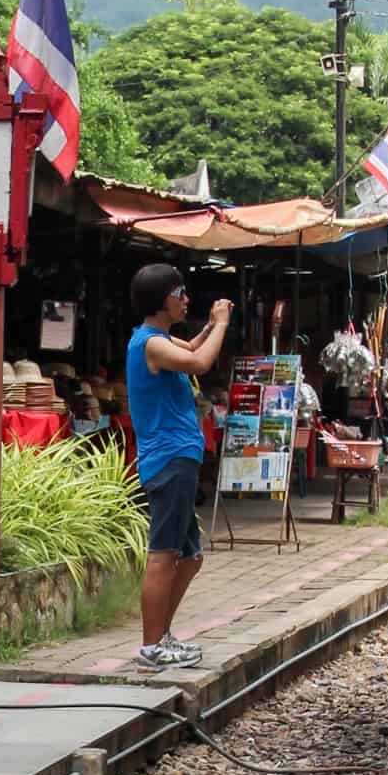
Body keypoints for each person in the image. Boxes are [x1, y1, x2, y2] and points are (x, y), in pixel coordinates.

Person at [126, 263, 232, 670]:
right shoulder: (150, 345)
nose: (186, 298)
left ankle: (161, 635)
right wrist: (219, 325)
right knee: (164, 554)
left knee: (190, 556)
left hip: (179, 456)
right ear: (160, 300)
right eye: (180, 292)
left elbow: (189, 348)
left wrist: (207, 326)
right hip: (169, 458)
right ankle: (151, 646)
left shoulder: (159, 340)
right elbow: (200, 362)